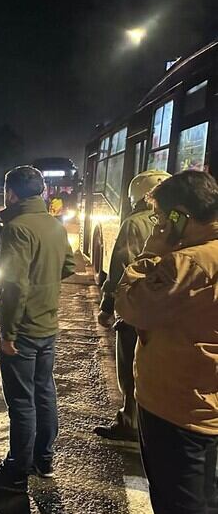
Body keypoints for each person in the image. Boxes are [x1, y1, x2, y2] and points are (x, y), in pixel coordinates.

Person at [115, 170, 218, 514]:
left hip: (177, 407)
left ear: (180, 217)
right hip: (207, 405)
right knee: (204, 510)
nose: (157, 226)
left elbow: (131, 305)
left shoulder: (187, 263)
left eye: (160, 219)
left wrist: (149, 254)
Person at [0, 165, 75, 492]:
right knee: (44, 392)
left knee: (21, 401)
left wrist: (9, 333)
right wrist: (45, 284)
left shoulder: (16, 228)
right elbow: (69, 265)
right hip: (48, 324)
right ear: (42, 191)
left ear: (11, 193)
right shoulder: (54, 225)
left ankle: (17, 469)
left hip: (23, 329)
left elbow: (14, 286)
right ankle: (43, 460)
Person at [94, 170, 170, 442]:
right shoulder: (184, 223)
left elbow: (121, 267)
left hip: (136, 308)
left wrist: (107, 305)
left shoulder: (134, 223)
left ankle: (130, 420)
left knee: (129, 366)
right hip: (168, 310)